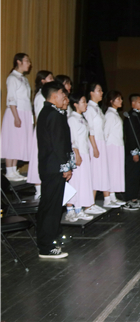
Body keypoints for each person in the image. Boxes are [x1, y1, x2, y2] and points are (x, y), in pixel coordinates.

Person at [35, 81, 74, 259]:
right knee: (51, 208)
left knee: (49, 205)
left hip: (49, 166)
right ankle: (46, 246)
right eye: (62, 94)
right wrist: (66, 166)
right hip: (54, 166)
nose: (64, 97)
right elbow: (58, 144)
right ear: (55, 94)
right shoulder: (53, 114)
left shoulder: (47, 112)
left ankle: (48, 240)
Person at [2, 53, 33, 182]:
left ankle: (14, 170)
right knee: (12, 141)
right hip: (16, 112)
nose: (29, 64)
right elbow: (11, 98)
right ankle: (9, 171)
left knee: (18, 142)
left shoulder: (23, 79)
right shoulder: (12, 78)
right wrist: (16, 117)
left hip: (24, 112)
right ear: (19, 62)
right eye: (27, 61)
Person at [65, 93, 96, 222]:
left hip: (84, 153)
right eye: (83, 102)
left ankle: (78, 209)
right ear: (75, 104)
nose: (86, 104)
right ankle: (70, 210)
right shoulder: (72, 118)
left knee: (82, 182)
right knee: (75, 181)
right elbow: (72, 139)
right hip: (77, 153)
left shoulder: (82, 118)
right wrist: (76, 154)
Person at [84, 83, 113, 210]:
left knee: (100, 172)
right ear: (91, 93)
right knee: (94, 172)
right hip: (94, 143)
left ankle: (95, 202)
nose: (101, 93)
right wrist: (95, 147)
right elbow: (90, 130)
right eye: (99, 90)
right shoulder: (89, 108)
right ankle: (89, 204)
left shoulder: (97, 108)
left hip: (100, 142)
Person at [26, 70, 55, 193]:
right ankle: (38, 190)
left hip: (47, 131)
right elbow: (40, 116)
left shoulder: (47, 95)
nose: (53, 80)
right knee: (38, 159)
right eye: (50, 78)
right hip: (42, 132)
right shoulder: (40, 96)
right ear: (43, 81)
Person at [122, 94, 140, 210]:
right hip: (133, 152)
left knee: (138, 175)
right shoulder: (130, 117)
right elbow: (131, 135)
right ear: (133, 103)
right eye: (139, 102)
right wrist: (134, 152)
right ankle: (129, 199)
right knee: (132, 176)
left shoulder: (139, 116)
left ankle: (134, 198)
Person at [103, 91, 126, 206]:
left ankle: (113, 196)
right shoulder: (110, 115)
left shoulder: (114, 114)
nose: (121, 101)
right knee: (110, 171)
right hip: (111, 146)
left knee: (115, 171)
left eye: (121, 99)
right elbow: (105, 133)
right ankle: (107, 199)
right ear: (111, 101)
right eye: (118, 99)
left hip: (117, 146)